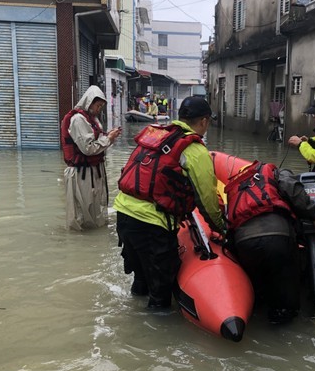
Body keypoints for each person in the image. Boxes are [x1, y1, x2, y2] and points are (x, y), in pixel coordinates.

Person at [114, 96, 225, 309]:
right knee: (161, 293)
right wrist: (222, 229)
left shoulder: (158, 135)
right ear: (204, 121)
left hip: (124, 215)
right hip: (152, 224)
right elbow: (207, 200)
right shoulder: (194, 150)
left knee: (140, 281)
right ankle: (155, 338)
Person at [224, 161, 315, 324]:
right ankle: (285, 322)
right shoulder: (273, 171)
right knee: (286, 304)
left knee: (259, 297)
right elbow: (293, 190)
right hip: (278, 236)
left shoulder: (234, 187)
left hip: (244, 243)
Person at [61, 85, 122, 231]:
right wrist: (109, 139)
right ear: (89, 102)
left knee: (95, 207)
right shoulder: (78, 120)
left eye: (101, 106)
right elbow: (88, 148)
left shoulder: (92, 120)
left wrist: (108, 136)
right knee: (82, 210)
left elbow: (96, 141)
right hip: (81, 173)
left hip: (93, 171)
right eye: (98, 105)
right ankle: (80, 244)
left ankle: (95, 235)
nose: (99, 109)